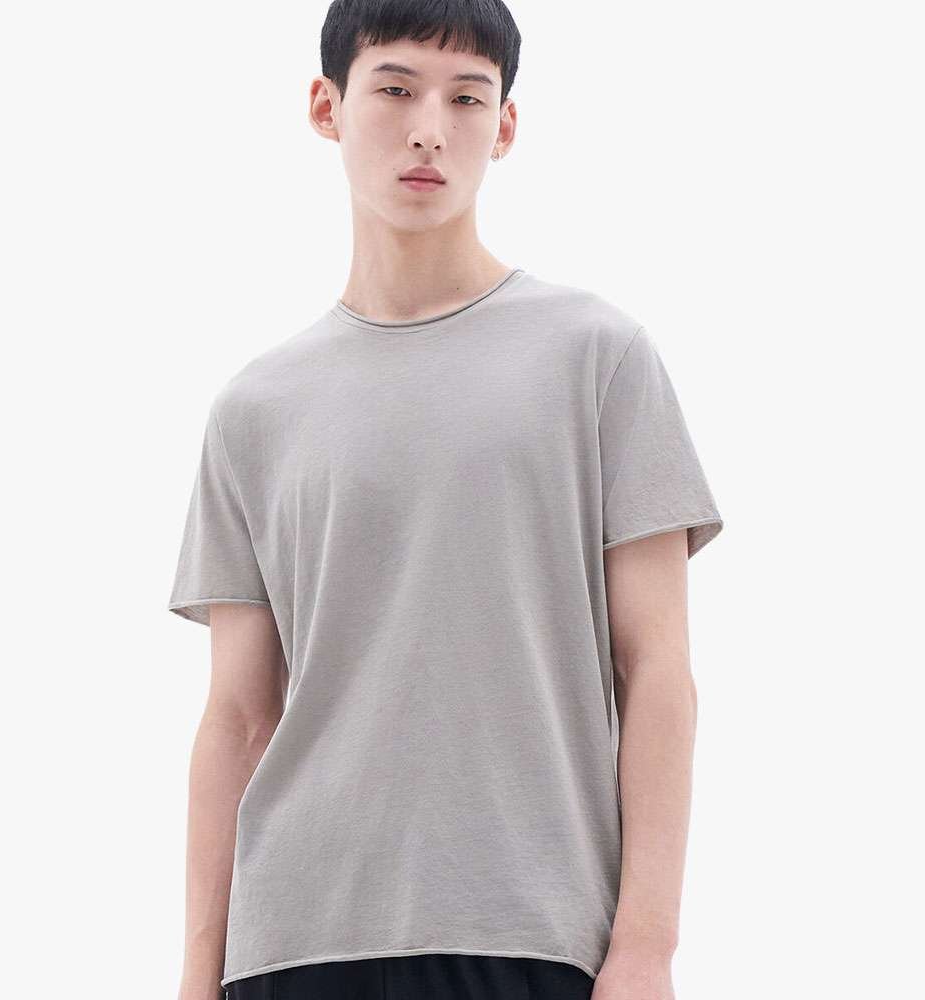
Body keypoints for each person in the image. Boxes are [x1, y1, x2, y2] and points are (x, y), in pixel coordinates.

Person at [168, 3, 724, 999]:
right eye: (394, 89)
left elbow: (658, 671)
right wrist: (195, 977)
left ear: (504, 126)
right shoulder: (255, 409)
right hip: (293, 943)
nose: (429, 128)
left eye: (467, 99)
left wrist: (647, 945)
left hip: (528, 931)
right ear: (326, 107)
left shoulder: (597, 358)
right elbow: (238, 717)